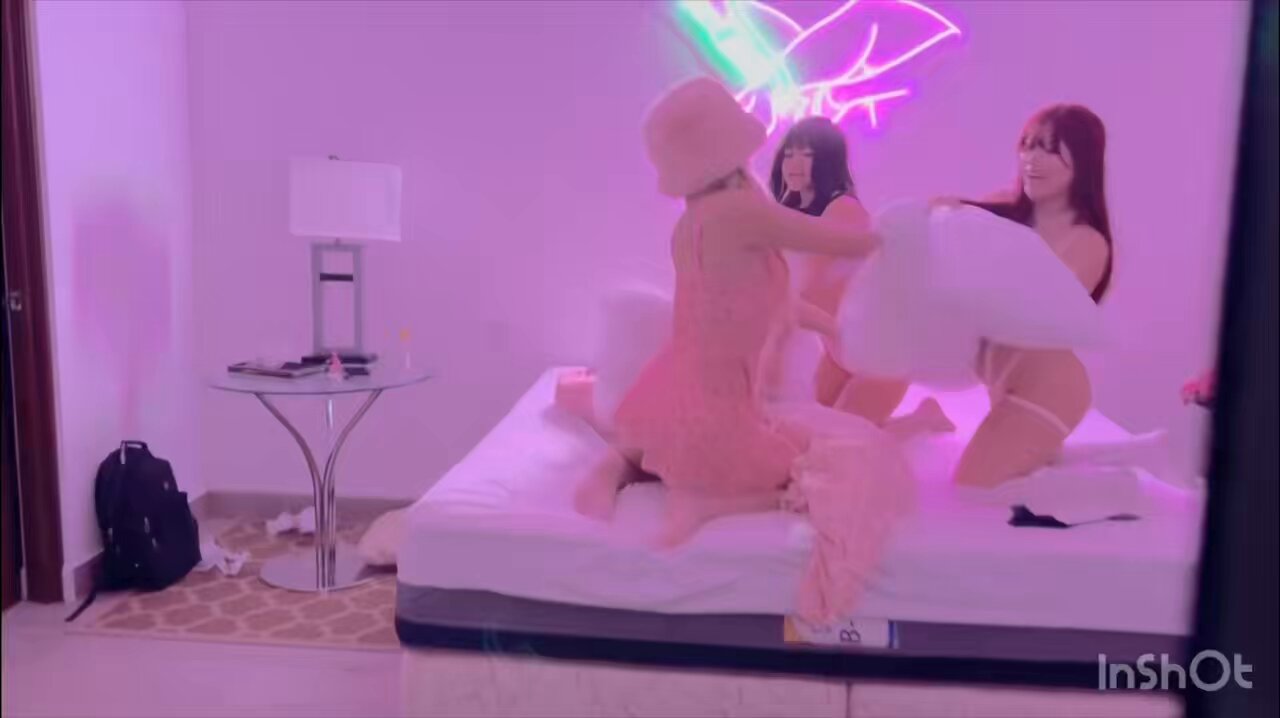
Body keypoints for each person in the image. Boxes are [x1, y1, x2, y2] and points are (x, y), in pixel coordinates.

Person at [572, 79, 908, 546]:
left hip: (677, 383)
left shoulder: (689, 225)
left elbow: (758, 302)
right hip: (719, 400)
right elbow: (846, 243)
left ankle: (616, 473)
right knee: (820, 470)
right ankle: (706, 503)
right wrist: (909, 230)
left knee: (660, 445)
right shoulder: (741, 212)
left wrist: (831, 327)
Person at [944, 104, 1114, 488]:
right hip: (1005, 382)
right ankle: (1106, 458)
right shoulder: (1003, 211)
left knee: (973, 486)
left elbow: (1034, 316)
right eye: (1027, 145)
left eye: (1049, 149)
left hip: (1048, 390)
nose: (1031, 159)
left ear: (1083, 161)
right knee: (1008, 473)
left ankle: (1118, 488)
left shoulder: (1086, 242)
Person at [767, 117, 945, 431]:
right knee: (808, 431)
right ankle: (922, 416)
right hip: (840, 352)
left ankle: (924, 420)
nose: (793, 163)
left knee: (841, 439)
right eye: (789, 153)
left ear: (827, 162)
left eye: (806, 155)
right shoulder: (796, 216)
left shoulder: (842, 210)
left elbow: (807, 288)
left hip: (882, 356)